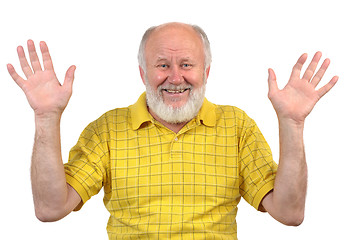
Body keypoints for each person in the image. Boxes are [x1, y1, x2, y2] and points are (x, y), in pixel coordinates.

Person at [7, 22, 338, 239]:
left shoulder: (237, 127)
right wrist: (46, 117)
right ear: (143, 73)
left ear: (206, 71)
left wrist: (292, 124)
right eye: (162, 65)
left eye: (187, 65)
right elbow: (50, 209)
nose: (175, 77)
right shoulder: (107, 129)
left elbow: (290, 213)